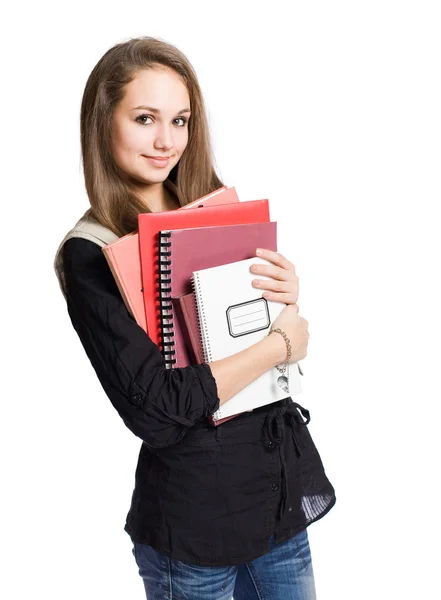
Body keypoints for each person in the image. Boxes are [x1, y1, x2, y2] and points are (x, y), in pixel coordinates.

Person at [54, 36, 336, 600]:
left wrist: (285, 297)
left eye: (180, 120)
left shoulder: (214, 210)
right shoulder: (92, 252)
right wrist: (278, 345)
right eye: (144, 118)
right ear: (103, 122)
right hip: (195, 527)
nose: (166, 141)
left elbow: (257, 339)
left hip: (274, 499)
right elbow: (158, 412)